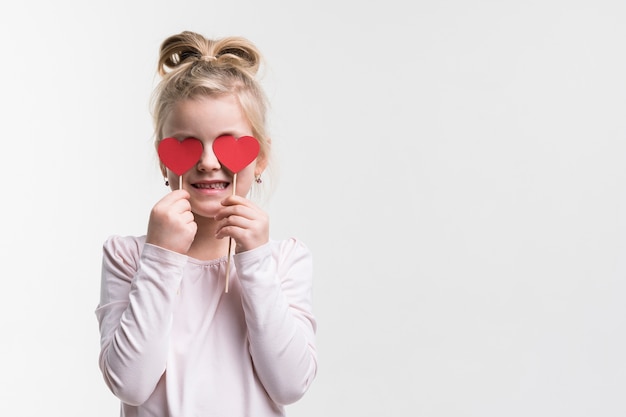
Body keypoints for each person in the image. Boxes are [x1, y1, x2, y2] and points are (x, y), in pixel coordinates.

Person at [95, 31, 317, 417]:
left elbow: (290, 384)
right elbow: (130, 383)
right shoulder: (128, 257)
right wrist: (161, 257)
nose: (209, 161)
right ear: (165, 160)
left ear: (259, 159)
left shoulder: (284, 260)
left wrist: (256, 262)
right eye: (189, 143)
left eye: (228, 142)